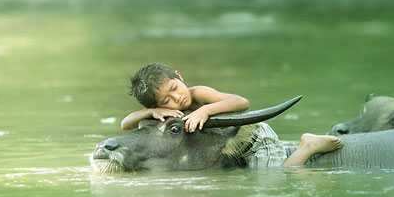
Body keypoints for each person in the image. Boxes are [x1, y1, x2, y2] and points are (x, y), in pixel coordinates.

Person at [121, 63, 342, 167]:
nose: (176, 99)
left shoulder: (199, 93)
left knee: (275, 176)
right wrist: (150, 111)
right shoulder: (161, 110)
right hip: (229, 146)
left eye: (174, 88)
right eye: (165, 100)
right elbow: (125, 124)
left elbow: (241, 102)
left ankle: (308, 146)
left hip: (253, 139)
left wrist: (205, 109)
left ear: (179, 76)